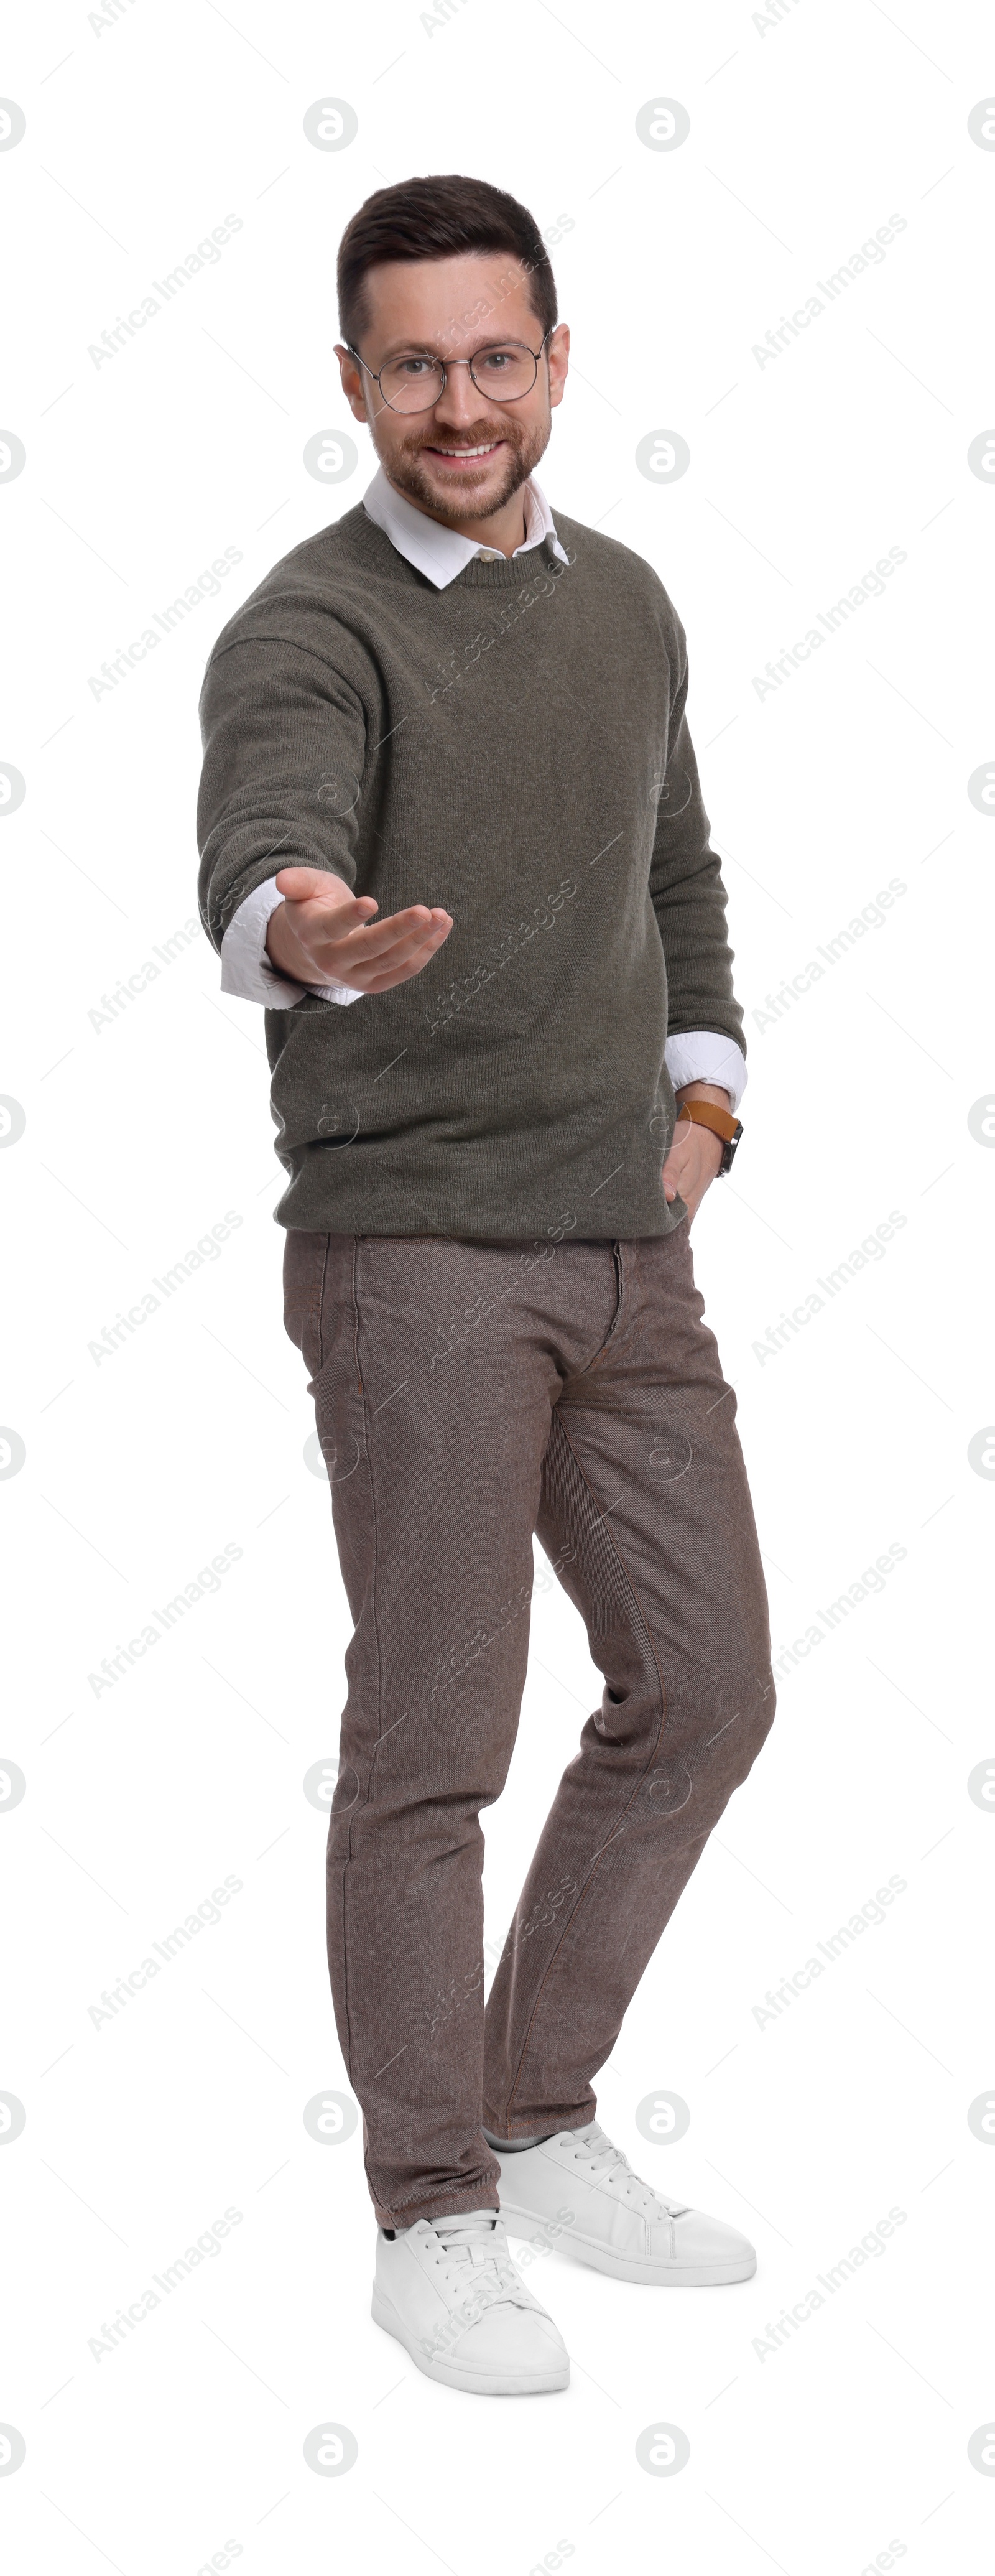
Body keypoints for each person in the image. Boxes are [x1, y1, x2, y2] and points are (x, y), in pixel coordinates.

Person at [197, 174, 777, 2399]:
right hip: (418, 1258)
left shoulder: (628, 605)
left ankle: (535, 2118)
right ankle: (429, 2205)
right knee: (435, 1736)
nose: (462, 401)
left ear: (558, 359)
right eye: (414, 362)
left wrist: (705, 1118)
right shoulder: (310, 627)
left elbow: (682, 872)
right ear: (352, 381)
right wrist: (306, 927)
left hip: (632, 1248)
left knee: (706, 1690)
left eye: (496, 355)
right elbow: (266, 836)